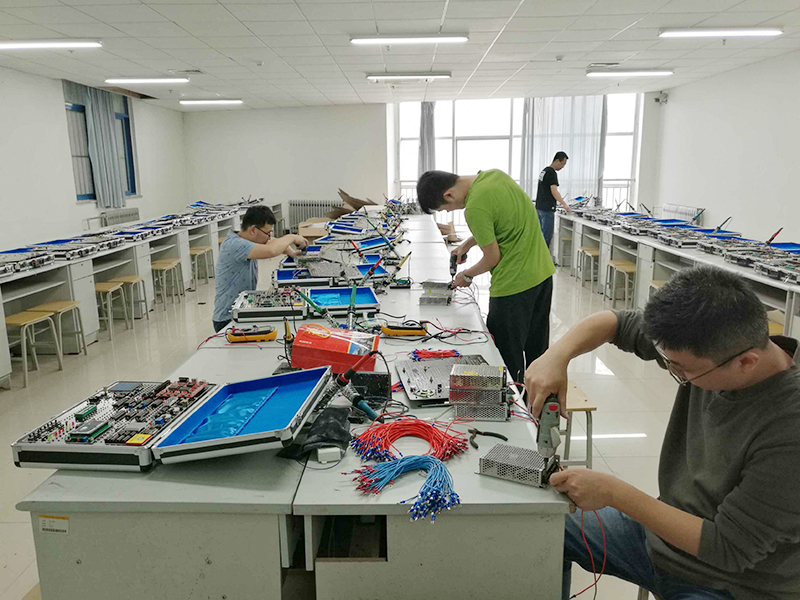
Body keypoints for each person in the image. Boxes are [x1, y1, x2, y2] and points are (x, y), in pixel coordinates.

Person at [524, 266, 800, 600]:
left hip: (732, 582)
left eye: (682, 369)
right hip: (661, 535)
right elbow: (616, 322)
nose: (673, 370)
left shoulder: (789, 427)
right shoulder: (706, 341)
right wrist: (556, 356)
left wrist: (613, 493)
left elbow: (727, 548)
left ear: (746, 363)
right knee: (538, 525)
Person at [416, 169, 555, 382]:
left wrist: (466, 275)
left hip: (514, 286)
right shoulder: (495, 177)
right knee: (537, 350)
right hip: (542, 275)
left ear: (449, 195)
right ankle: (538, 399)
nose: (449, 212)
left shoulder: (474, 208)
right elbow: (500, 222)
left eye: (445, 209)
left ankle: (514, 400)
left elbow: (492, 258)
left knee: (506, 358)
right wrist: (467, 244)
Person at [212, 205, 308, 333]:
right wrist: (292, 237)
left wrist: (292, 253)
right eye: (267, 233)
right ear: (253, 230)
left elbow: (274, 242)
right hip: (227, 319)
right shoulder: (235, 244)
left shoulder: (245, 238)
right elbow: (271, 250)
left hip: (241, 311)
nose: (269, 237)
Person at [535, 151, 571, 248]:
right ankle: (543, 257)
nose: (562, 167)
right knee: (546, 237)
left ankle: (539, 256)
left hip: (539, 207)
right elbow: (554, 191)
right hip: (547, 209)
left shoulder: (544, 171)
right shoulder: (551, 173)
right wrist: (564, 204)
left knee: (540, 236)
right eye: (562, 164)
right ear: (557, 161)